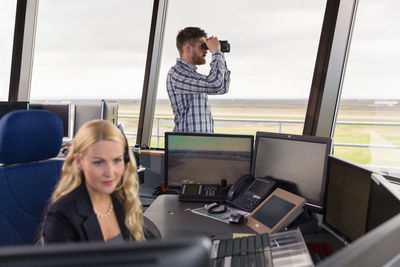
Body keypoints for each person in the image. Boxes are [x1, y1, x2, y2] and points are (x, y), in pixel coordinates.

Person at [40, 120, 154, 244]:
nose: (110, 172)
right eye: (98, 162)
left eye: (117, 160)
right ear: (79, 162)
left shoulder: (122, 200)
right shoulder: (61, 216)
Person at [167, 27, 231, 133]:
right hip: (187, 145)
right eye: (202, 46)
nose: (206, 51)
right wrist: (215, 53)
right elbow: (215, 84)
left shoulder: (193, 76)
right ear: (187, 48)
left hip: (200, 144)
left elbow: (222, 88)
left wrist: (220, 56)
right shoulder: (177, 73)